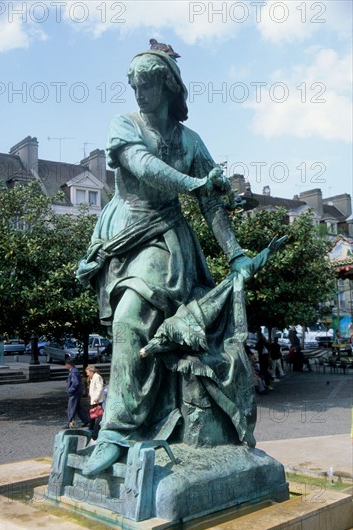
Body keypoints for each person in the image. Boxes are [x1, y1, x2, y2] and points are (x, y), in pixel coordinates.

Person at [77, 47, 285, 476]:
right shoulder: (124, 126)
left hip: (165, 240)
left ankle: (116, 432)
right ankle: (147, 422)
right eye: (133, 84)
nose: (139, 92)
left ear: (169, 86)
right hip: (123, 234)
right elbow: (144, 165)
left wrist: (237, 254)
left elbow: (211, 205)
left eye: (147, 83)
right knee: (135, 326)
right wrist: (194, 181)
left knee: (130, 320)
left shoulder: (191, 141)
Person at [65, 360, 90, 429]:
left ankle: (70, 422)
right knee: (78, 408)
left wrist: (70, 390)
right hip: (77, 392)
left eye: (66, 364)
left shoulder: (73, 371)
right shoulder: (75, 371)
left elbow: (75, 383)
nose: (65, 366)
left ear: (69, 364)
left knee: (71, 407)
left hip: (74, 393)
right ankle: (86, 420)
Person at [85, 365, 105, 441]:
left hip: (97, 399)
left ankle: (92, 428)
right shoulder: (93, 377)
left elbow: (100, 388)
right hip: (94, 399)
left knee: (97, 414)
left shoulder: (97, 377)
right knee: (93, 414)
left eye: (87, 373)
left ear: (91, 371)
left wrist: (96, 397)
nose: (87, 374)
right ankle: (91, 428)